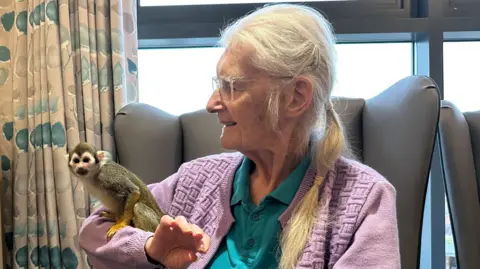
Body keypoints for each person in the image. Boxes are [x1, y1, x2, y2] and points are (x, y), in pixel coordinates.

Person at [78, 3, 401, 269]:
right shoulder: (196, 179)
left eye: (233, 86)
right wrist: (151, 247)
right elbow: (94, 231)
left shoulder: (364, 198)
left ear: (296, 96)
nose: (211, 104)